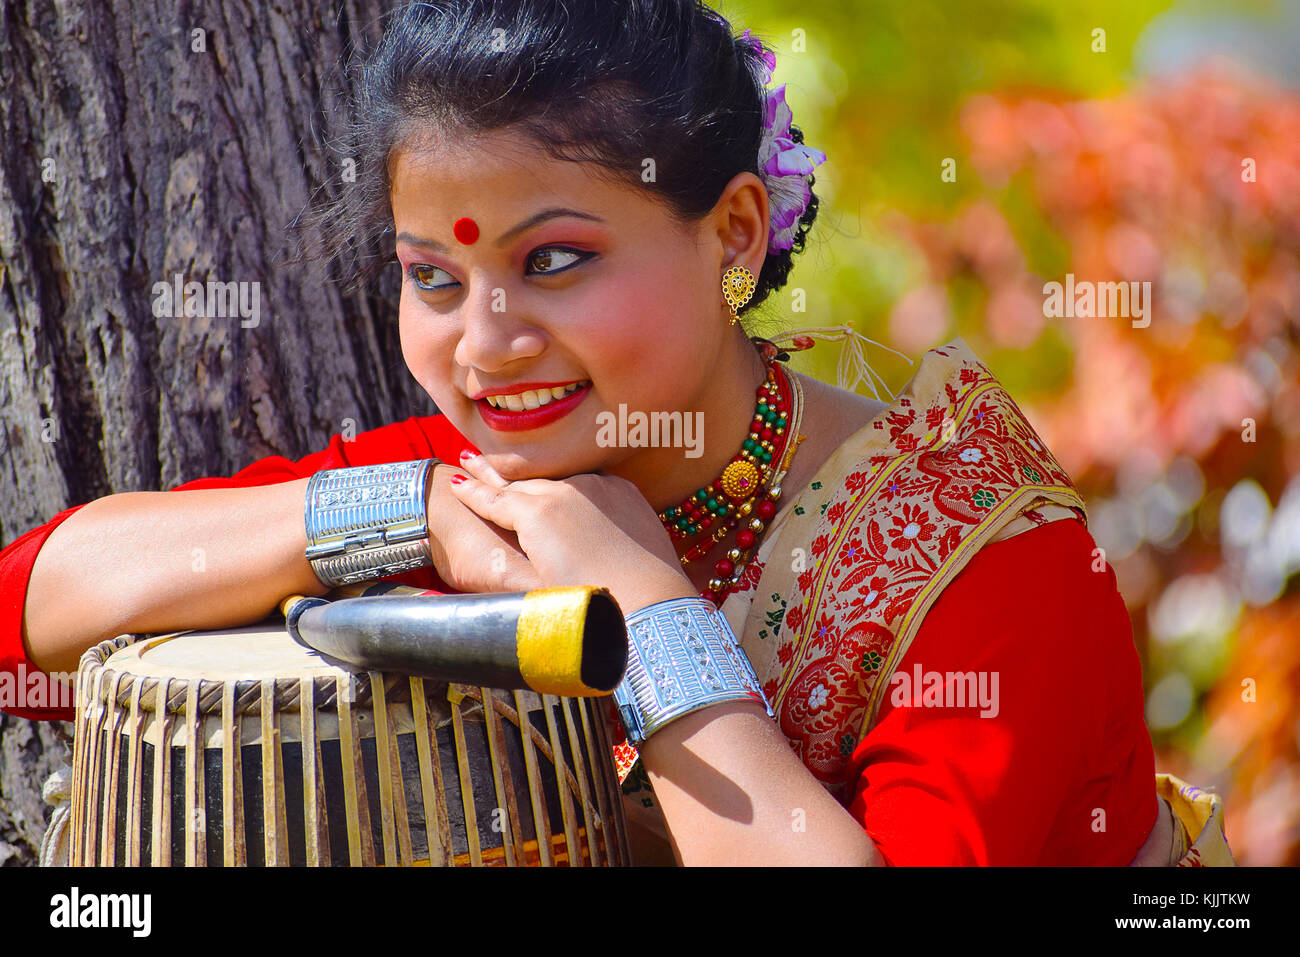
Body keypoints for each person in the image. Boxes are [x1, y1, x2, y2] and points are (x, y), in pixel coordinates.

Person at [1, 0, 1232, 866]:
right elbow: (27, 617)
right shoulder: (502, 491)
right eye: (431, 279)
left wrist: (642, 605)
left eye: (553, 261)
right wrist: (406, 514)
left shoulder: (979, 557)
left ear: (735, 235)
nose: (485, 344)